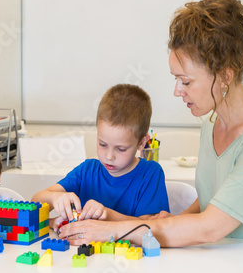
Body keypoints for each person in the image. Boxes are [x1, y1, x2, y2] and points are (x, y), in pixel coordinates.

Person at [59, 0, 243, 246]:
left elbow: (210, 228)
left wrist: (112, 229)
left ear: (225, 75)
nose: (177, 91)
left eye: (186, 81)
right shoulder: (212, 124)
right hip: (222, 257)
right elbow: (216, 200)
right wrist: (170, 222)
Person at [31, 84, 170, 230]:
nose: (109, 156)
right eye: (102, 144)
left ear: (142, 142)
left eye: (121, 149)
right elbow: (35, 203)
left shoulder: (150, 173)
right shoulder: (87, 171)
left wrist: (107, 215)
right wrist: (54, 198)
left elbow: (152, 227)